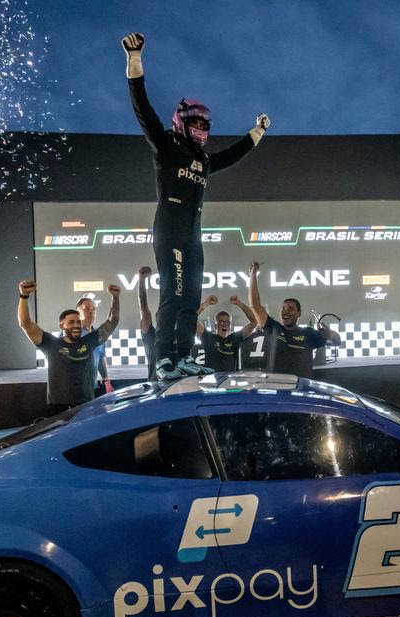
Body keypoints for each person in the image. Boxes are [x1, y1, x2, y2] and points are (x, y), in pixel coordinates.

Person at [123, 31, 270, 380]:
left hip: (193, 237)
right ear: (181, 122)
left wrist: (257, 132)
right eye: (196, 123)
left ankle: (185, 356)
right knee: (172, 298)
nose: (202, 129)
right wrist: (135, 60)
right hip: (170, 232)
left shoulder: (202, 161)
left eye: (206, 125)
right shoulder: (167, 147)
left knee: (191, 300)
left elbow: (233, 155)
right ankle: (164, 360)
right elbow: (143, 110)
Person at [17, 280, 120, 414]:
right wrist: (24, 296)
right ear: (62, 326)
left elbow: (113, 321)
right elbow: (25, 324)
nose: (76, 325)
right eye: (71, 322)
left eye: (78, 322)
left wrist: (116, 298)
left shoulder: (89, 341)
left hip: (87, 404)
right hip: (58, 407)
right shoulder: (51, 344)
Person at [248, 261, 341, 377]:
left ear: (299, 313)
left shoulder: (308, 333)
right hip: (277, 388)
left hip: (301, 389)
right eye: (283, 308)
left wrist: (330, 334)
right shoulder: (273, 328)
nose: (285, 311)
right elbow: (255, 305)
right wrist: (253, 274)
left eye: (291, 308)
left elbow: (337, 342)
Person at [195, 294, 257, 373]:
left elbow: (254, 322)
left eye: (227, 322)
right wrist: (206, 303)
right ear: (215, 325)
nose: (224, 324)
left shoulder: (235, 338)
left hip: (230, 382)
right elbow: (192, 318)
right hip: (212, 380)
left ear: (230, 325)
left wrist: (239, 303)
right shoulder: (208, 337)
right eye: (220, 321)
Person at [76, 295, 114, 396]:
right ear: (78, 312)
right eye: (87, 309)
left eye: (93, 309)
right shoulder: (71, 334)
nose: (91, 312)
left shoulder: (98, 334)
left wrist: (106, 380)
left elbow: (100, 358)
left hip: (91, 388)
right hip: (74, 390)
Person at [136, 265, 157, 380]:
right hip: (157, 388)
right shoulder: (151, 335)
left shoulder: (177, 335)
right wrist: (142, 280)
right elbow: (143, 308)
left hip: (179, 388)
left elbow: (190, 318)